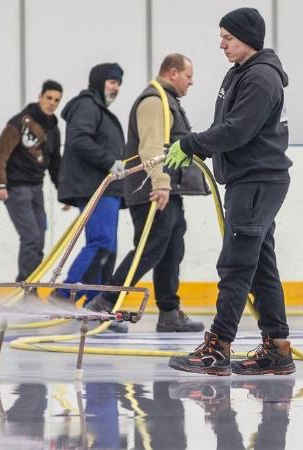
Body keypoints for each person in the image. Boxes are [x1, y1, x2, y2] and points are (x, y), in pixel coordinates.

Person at [165, 7, 294, 376]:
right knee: (260, 267)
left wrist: (191, 144)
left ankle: (218, 347)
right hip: (248, 179)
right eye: (221, 37)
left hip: (257, 180)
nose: (221, 44)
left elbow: (238, 130)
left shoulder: (261, 79)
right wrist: (197, 143)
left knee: (236, 265)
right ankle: (278, 348)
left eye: (228, 38)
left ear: (248, 39)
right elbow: (224, 125)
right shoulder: (240, 73)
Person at [86, 54, 207, 333]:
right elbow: (151, 147)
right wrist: (161, 182)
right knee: (149, 248)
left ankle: (169, 312)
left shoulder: (168, 101)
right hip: (153, 190)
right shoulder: (155, 101)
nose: (192, 81)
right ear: (173, 73)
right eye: (189, 76)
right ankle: (105, 302)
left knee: (171, 250)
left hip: (167, 190)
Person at [54, 63, 127, 333]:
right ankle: (65, 297)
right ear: (98, 81)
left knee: (108, 248)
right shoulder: (87, 106)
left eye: (119, 83)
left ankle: (93, 306)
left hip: (106, 188)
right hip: (95, 186)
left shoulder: (99, 110)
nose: (116, 87)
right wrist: (109, 161)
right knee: (101, 243)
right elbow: (79, 140)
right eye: (111, 82)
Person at [0, 80, 63, 283]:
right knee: (31, 237)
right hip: (16, 188)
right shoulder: (20, 122)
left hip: (36, 189)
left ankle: (30, 285)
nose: (52, 103)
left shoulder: (53, 129)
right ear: (40, 96)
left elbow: (55, 162)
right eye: (48, 98)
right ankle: (25, 287)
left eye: (56, 100)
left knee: (39, 238)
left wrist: (63, 191)